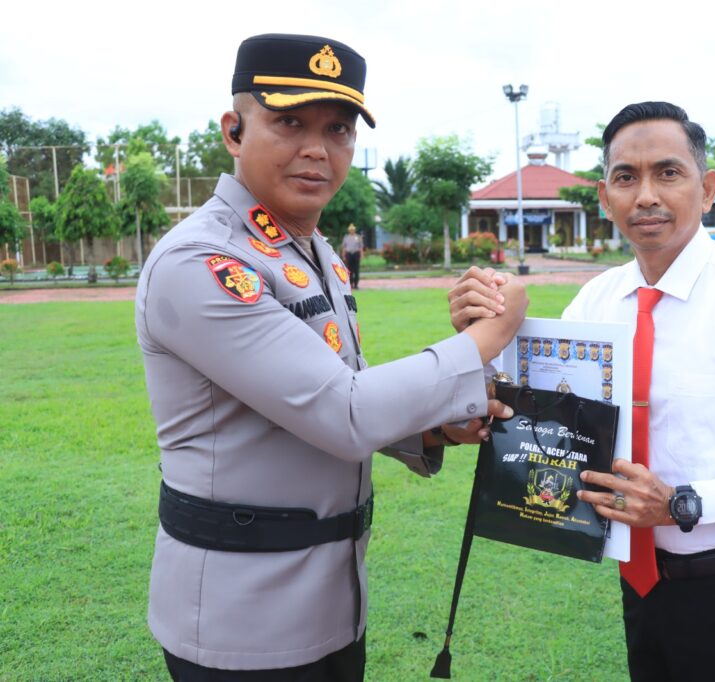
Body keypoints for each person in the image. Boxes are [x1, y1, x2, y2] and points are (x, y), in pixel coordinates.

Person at [135, 33, 526, 681]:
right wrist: (487, 337)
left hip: (332, 602)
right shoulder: (203, 261)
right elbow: (346, 411)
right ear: (234, 131)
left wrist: (432, 429)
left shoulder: (310, 251)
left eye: (338, 129)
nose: (318, 149)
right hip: (240, 619)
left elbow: (327, 391)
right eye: (290, 123)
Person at [450, 102, 715, 681]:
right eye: (626, 177)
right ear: (604, 197)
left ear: (707, 189)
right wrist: (480, 344)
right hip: (644, 588)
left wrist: (682, 504)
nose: (646, 196)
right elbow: (542, 420)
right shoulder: (596, 304)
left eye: (668, 173)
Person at [341, 223, 363, 289]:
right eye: (350, 230)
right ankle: (350, 284)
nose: (352, 231)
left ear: (354, 230)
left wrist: (361, 255)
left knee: (356, 269)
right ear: (349, 230)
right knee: (349, 270)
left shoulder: (358, 237)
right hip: (349, 254)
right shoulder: (346, 237)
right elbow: (344, 247)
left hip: (356, 253)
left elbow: (361, 247)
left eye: (353, 230)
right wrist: (343, 255)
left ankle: (356, 285)